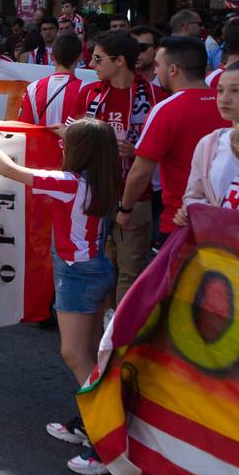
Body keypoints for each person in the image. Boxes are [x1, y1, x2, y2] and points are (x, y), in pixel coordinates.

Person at [0, 117, 120, 475]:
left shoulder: (70, 183)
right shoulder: (106, 176)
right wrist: (68, 133)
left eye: (69, 143)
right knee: (95, 356)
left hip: (77, 274)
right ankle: (91, 424)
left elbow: (11, 169)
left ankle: (107, 444)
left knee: (76, 356)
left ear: (81, 151)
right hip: (95, 268)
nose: (63, 146)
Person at [77, 32, 166, 303]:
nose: (92, 65)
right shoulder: (89, 94)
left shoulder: (155, 96)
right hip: (96, 191)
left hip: (138, 193)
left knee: (131, 269)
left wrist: (138, 151)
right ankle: (103, 321)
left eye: (98, 58)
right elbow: (78, 140)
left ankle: (121, 333)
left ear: (119, 61)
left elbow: (166, 148)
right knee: (100, 263)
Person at [116, 36, 223, 259]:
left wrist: (125, 209)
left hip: (180, 222)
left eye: (158, 65)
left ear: (173, 69)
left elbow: (141, 170)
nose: (155, 70)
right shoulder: (228, 105)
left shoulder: (166, 109)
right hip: (226, 223)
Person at [180, 62, 239, 220]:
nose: (224, 99)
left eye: (236, 90)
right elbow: (193, 197)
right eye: (220, 90)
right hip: (222, 240)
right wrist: (189, 212)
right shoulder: (210, 143)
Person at [19, 33, 85, 127]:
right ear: (80, 56)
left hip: (40, 142)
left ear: (52, 56)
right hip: (73, 141)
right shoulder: (87, 89)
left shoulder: (32, 88)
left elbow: (24, 127)